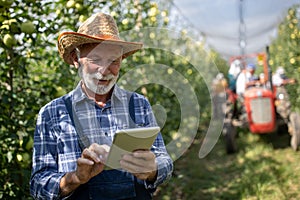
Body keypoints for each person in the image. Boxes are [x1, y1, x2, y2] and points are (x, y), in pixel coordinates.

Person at [30, 13, 173, 200]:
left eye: (114, 61)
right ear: (76, 59)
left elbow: (165, 160)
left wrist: (153, 169)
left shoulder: (138, 104)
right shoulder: (53, 114)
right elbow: (37, 185)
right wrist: (74, 178)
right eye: (95, 60)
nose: (104, 71)